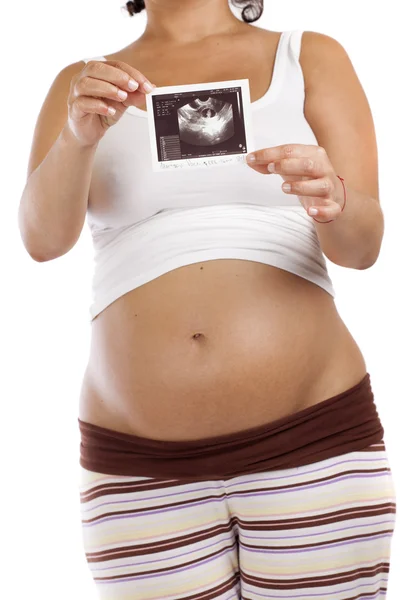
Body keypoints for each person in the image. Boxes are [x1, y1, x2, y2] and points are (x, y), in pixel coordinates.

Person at [18, 0, 397, 598]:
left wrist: (334, 197)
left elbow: (364, 248)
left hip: (311, 444)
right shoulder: (81, 83)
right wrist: (76, 135)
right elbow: (41, 242)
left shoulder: (310, 56)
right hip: (136, 469)